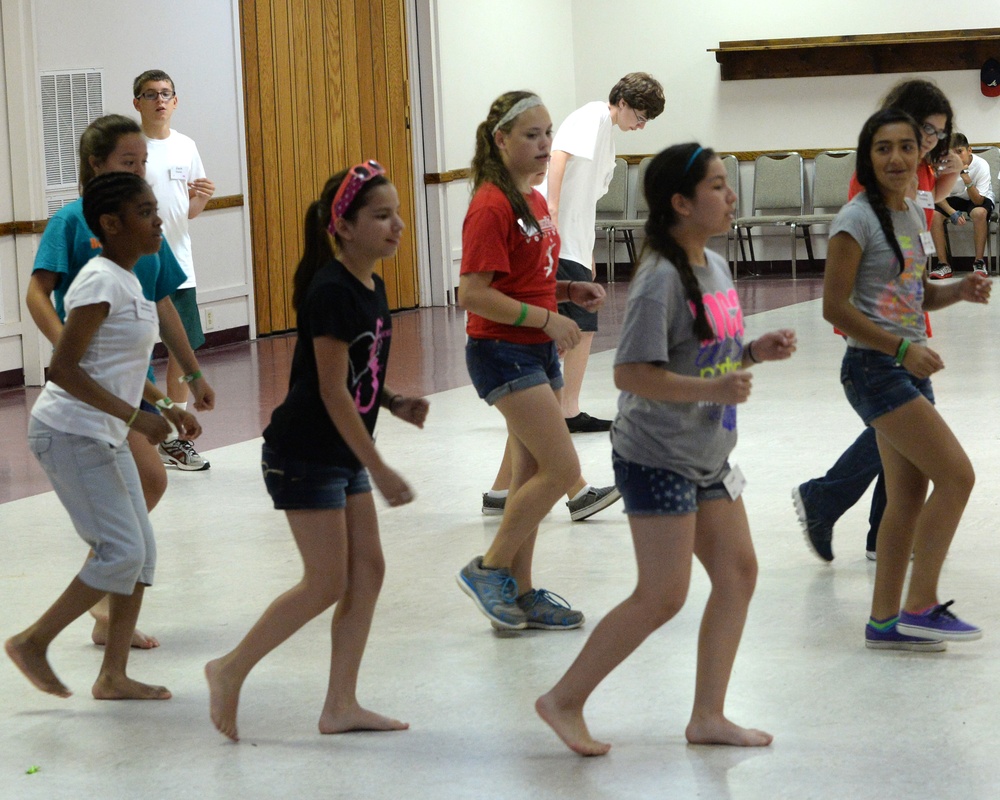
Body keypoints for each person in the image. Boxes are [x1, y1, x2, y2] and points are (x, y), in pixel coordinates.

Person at [537, 143, 794, 756]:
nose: (730, 196)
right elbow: (632, 374)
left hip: (706, 451)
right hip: (655, 456)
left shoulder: (713, 264)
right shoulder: (658, 279)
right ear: (680, 202)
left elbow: (704, 351)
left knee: (738, 574)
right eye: (715, 186)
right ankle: (563, 700)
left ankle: (708, 715)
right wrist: (716, 385)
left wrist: (753, 352)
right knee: (662, 594)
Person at [205, 161, 426, 742]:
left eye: (397, 213)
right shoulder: (331, 290)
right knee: (326, 581)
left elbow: (354, 372)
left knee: (368, 570)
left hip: (340, 452)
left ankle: (340, 704)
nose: (397, 225)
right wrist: (378, 466)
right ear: (344, 227)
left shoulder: (371, 285)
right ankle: (228, 669)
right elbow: (328, 391)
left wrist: (395, 401)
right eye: (382, 216)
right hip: (303, 454)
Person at [5, 172, 202, 701]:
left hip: (103, 432)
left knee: (141, 554)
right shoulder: (97, 281)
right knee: (119, 552)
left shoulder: (130, 280)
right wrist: (137, 418)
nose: (158, 220)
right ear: (111, 225)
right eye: (145, 212)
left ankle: (112, 675)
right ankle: (31, 642)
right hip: (69, 432)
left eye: (156, 210)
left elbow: (114, 364)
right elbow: (63, 369)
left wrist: (164, 405)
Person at [25, 114, 215, 649]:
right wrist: (67, 340)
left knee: (144, 499)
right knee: (134, 516)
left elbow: (163, 302)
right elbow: (39, 293)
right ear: (98, 166)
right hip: (87, 395)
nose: (140, 172)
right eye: (128, 163)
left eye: (143, 163)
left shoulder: (145, 229)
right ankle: (95, 599)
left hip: (124, 382)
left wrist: (188, 376)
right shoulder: (79, 226)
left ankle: (108, 605)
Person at [822, 108, 989, 652]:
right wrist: (900, 348)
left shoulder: (914, 215)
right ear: (867, 158)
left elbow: (918, 297)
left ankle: (884, 621)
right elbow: (834, 307)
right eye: (882, 148)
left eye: (905, 147)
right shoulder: (856, 219)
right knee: (958, 476)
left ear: (921, 155)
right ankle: (920, 606)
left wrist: (959, 289)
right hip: (876, 368)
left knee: (907, 496)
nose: (895, 158)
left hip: (905, 364)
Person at [456, 91, 609, 632]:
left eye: (548, 133)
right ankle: (489, 569)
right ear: (501, 140)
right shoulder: (491, 204)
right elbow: (473, 294)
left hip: (535, 350)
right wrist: (547, 320)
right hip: (502, 351)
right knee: (561, 470)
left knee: (526, 480)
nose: (545, 144)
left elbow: (526, 278)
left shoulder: (535, 201)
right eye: (531, 135)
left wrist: (567, 289)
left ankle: (519, 596)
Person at [793, 78, 960, 563]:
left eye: (935, 135)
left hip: (908, 317)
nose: (928, 142)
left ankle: (880, 533)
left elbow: (919, 252)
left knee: (901, 439)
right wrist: (898, 340)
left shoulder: (923, 173)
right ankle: (826, 499)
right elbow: (849, 281)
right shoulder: (874, 187)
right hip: (879, 326)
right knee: (902, 431)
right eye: (922, 131)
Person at [547, 71, 664, 433]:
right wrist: (550, 212)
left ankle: (563, 408)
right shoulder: (593, 116)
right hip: (559, 237)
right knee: (574, 327)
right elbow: (558, 156)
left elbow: (585, 198)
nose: (641, 126)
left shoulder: (606, 132)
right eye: (641, 117)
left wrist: (587, 249)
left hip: (574, 241)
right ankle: (555, 410)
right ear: (624, 102)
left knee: (578, 327)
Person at [133, 69, 216, 471]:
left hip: (180, 266)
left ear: (176, 101)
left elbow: (187, 212)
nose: (159, 100)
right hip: (136, 270)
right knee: (138, 354)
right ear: (138, 103)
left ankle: (175, 440)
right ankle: (143, 434)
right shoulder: (130, 151)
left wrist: (200, 201)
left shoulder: (186, 147)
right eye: (151, 95)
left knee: (182, 358)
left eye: (166, 94)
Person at [929, 132, 995, 278]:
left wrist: (965, 177)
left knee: (979, 213)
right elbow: (935, 194)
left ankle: (979, 262)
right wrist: (951, 212)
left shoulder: (981, 165)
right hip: (950, 198)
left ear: (969, 150)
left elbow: (978, 201)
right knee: (933, 215)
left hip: (976, 195)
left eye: (959, 152)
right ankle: (943, 265)